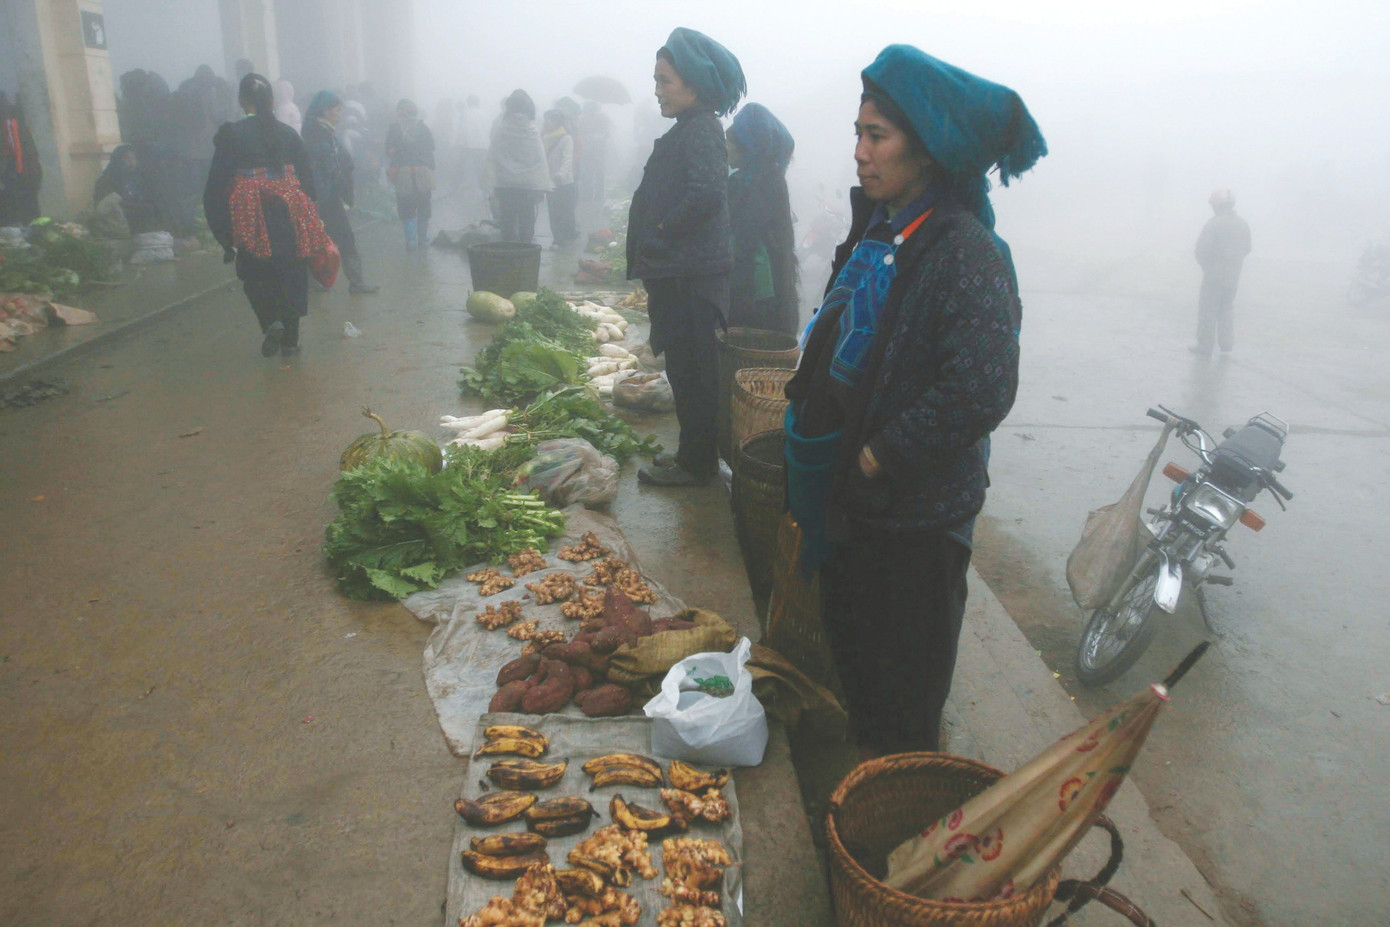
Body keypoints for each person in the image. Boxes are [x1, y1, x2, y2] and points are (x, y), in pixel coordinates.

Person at [782, 45, 1044, 754]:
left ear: (925, 152)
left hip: (914, 527)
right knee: (863, 682)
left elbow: (983, 384)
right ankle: (869, 803)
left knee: (903, 706)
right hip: (859, 513)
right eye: (858, 133)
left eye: (878, 136)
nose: (860, 153)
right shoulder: (883, 227)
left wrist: (878, 453)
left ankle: (898, 836)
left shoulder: (965, 251)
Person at [628, 27, 746, 486]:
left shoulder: (701, 131)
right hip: (681, 274)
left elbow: (706, 196)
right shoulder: (689, 129)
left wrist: (659, 232)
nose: (657, 90)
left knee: (695, 371)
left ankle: (697, 465)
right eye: (656, 79)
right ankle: (690, 454)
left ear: (693, 85)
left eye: (665, 80)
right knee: (683, 367)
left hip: (692, 277)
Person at [204, 73, 330, 358]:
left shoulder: (232, 135)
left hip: (250, 219)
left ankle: (270, 321)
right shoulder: (288, 134)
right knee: (292, 274)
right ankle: (291, 343)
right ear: (272, 100)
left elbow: (215, 189)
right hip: (290, 215)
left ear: (241, 101)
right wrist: (311, 217)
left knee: (256, 275)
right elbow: (309, 183)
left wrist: (224, 236)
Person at [725, 102, 799, 335]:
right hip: (776, 294)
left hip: (753, 296)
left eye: (729, 143)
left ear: (745, 147)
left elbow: (743, 244)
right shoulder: (773, 179)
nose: (725, 149)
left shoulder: (745, 185)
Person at [302, 91, 378, 293]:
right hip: (323, 197)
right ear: (326, 110)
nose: (339, 114)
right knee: (334, 238)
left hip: (324, 196)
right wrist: (342, 182)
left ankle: (330, 282)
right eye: (337, 110)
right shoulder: (317, 133)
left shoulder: (320, 129)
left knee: (322, 239)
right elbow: (330, 164)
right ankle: (353, 282)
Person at [485, 90, 551, 244]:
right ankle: (526, 257)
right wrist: (543, 185)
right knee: (527, 221)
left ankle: (509, 254)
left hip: (505, 184)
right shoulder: (532, 131)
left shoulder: (502, 130)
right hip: (528, 186)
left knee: (507, 221)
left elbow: (492, 156)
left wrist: (489, 184)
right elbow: (540, 159)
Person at [1192, 188, 1251, 356]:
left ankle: (1205, 345)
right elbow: (1247, 248)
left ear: (1217, 205)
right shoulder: (1243, 224)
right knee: (1226, 308)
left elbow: (1201, 250)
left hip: (1214, 274)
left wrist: (1207, 266)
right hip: (1233, 275)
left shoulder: (1214, 224)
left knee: (1208, 310)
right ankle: (1226, 343)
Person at [384, 98, 436, 249]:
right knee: (424, 205)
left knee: (406, 206)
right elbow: (431, 147)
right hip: (422, 172)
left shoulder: (394, 129)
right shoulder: (422, 128)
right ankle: (422, 238)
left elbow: (389, 151)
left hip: (402, 173)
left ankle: (410, 241)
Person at [92, 145, 160, 236]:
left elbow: (147, 196)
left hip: (139, 212)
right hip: (118, 217)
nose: (131, 162)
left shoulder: (140, 178)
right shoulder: (106, 179)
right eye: (126, 158)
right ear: (118, 160)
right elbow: (106, 204)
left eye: (134, 158)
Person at [0, 92, 43, 226]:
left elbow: (12, 150)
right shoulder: (17, 122)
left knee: (22, 207)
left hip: (20, 173)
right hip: (25, 172)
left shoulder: (11, 124)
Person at [543, 109, 579, 247]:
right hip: (550, 181)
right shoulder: (546, 138)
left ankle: (561, 237)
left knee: (563, 210)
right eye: (546, 119)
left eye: (551, 120)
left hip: (564, 182)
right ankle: (557, 238)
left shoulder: (566, 138)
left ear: (558, 122)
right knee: (553, 211)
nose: (547, 122)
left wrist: (561, 175)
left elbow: (567, 159)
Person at [577, 101, 611, 208]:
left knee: (591, 173)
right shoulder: (599, 119)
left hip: (593, 150)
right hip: (595, 150)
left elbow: (607, 133)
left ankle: (589, 196)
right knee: (595, 173)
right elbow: (607, 133)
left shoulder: (597, 119)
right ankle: (596, 196)